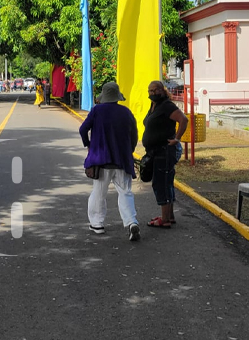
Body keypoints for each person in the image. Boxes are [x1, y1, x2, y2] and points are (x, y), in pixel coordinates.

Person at [79, 81, 140, 240]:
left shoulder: (97, 111)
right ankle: (131, 222)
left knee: (99, 192)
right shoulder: (126, 112)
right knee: (125, 192)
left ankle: (97, 224)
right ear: (117, 97)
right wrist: (129, 150)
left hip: (102, 160)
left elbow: (83, 129)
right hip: (122, 160)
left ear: (104, 96)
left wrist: (89, 145)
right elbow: (134, 135)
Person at [143, 80, 188, 228]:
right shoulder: (154, 105)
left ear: (163, 90)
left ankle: (165, 219)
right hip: (156, 151)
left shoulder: (167, 106)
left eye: (156, 90)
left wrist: (177, 139)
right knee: (166, 182)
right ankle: (169, 215)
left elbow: (183, 119)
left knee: (161, 183)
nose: (153, 93)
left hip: (165, 151)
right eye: (150, 90)